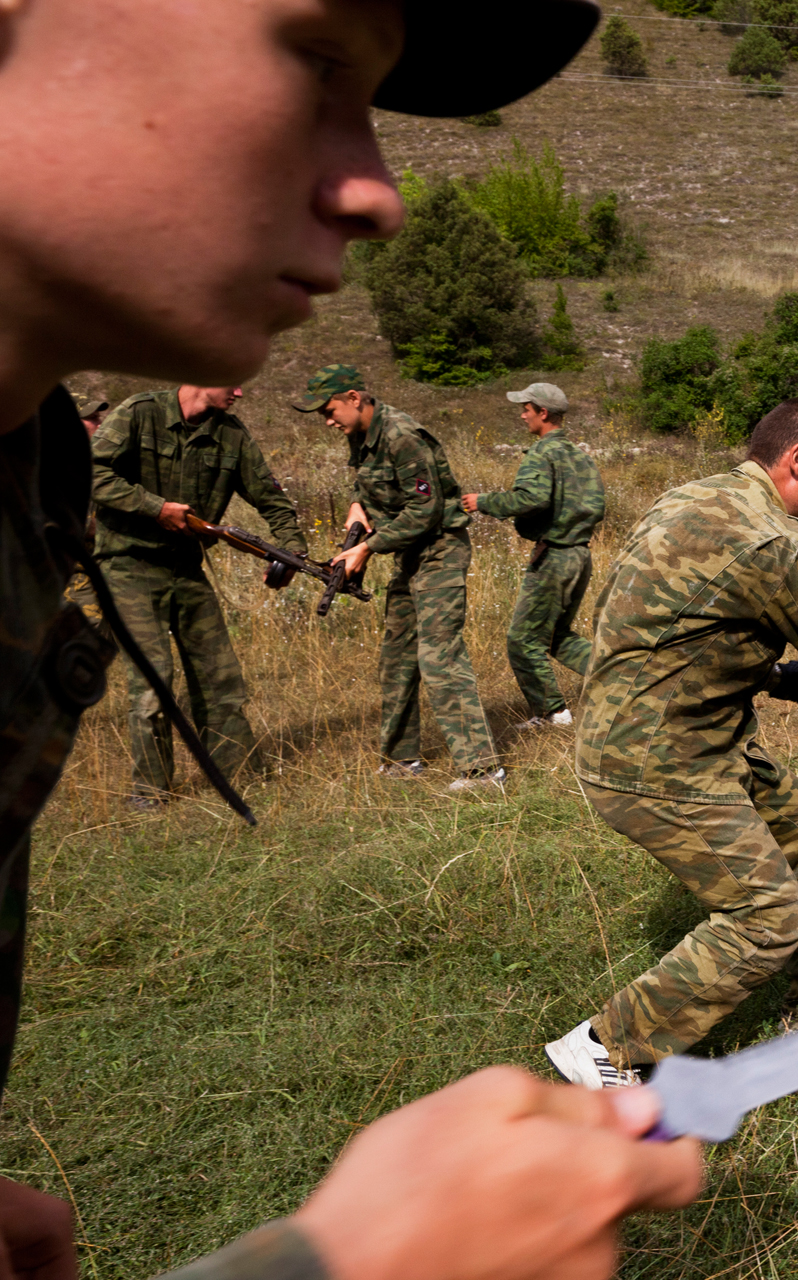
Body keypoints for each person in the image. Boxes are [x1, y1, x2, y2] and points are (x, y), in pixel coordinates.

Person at [0, 2, 703, 1278]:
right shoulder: (96, 453)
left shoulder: (32, 471)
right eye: (315, 60)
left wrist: (351, 541)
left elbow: (335, 499)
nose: (377, 188)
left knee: (411, 667)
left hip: (437, 565)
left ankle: (467, 758)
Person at [547, 397, 798, 1088]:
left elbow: (664, 622)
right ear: (797, 460)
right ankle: (609, 1047)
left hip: (692, 739)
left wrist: (769, 674)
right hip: (655, 762)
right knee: (767, 916)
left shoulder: (696, 498)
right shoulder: (777, 542)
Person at [90, 385, 306, 808]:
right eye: (233, 381)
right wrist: (154, 507)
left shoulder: (231, 434)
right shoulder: (139, 413)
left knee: (219, 676)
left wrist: (291, 549)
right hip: (128, 567)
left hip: (186, 569)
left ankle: (240, 776)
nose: (242, 391)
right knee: (155, 680)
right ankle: (150, 792)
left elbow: (270, 497)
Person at [294, 365, 504, 793]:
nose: (328, 421)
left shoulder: (403, 436)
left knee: (438, 656)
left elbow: (425, 511)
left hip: (440, 550)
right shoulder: (361, 436)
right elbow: (370, 488)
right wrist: (358, 509)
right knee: (397, 656)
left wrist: (368, 547)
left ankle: (483, 771)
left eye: (330, 410)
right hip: (407, 553)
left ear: (354, 397)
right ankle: (400, 760)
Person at [460, 381, 606, 730]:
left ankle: (552, 713)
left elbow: (531, 499)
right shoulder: (580, 456)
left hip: (554, 557)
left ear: (543, 413)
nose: (521, 413)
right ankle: (624, 682)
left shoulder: (543, 453)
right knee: (556, 637)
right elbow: (597, 507)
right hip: (579, 556)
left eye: (526, 407)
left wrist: (483, 502)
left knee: (523, 639)